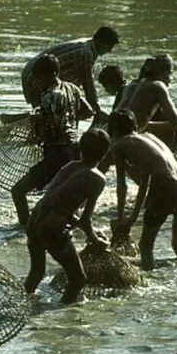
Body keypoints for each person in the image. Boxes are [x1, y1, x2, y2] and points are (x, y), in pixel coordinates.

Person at [25, 129, 111, 304]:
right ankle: (62, 322)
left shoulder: (70, 166)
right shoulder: (97, 178)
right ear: (105, 154)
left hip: (35, 218)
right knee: (78, 279)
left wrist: (87, 230)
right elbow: (86, 219)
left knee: (37, 271)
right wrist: (95, 241)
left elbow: (54, 202)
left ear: (80, 148)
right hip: (52, 228)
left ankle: (23, 305)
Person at [11, 54, 94, 226]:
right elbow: (88, 111)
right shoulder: (72, 88)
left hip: (56, 154)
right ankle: (74, 225)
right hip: (74, 149)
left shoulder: (49, 96)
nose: (37, 82)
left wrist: (34, 129)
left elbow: (48, 131)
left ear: (53, 74)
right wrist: (68, 121)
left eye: (40, 78)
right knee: (67, 195)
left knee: (18, 190)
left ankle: (27, 228)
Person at [109, 109, 177, 271]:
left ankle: (150, 283)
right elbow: (144, 184)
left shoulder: (119, 146)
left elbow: (122, 186)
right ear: (135, 124)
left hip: (166, 186)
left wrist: (121, 218)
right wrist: (132, 217)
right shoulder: (149, 137)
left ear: (113, 130)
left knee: (145, 246)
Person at [21, 26, 120, 117]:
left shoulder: (88, 46)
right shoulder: (86, 53)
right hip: (36, 76)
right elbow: (88, 84)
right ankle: (20, 119)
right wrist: (98, 110)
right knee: (43, 115)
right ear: (99, 41)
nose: (110, 50)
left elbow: (77, 82)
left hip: (34, 72)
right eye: (109, 46)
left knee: (81, 111)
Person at [115, 55, 177, 142]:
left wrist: (147, 125)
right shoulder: (157, 86)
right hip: (127, 140)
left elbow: (131, 124)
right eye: (170, 73)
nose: (171, 78)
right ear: (162, 73)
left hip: (112, 133)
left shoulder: (131, 85)